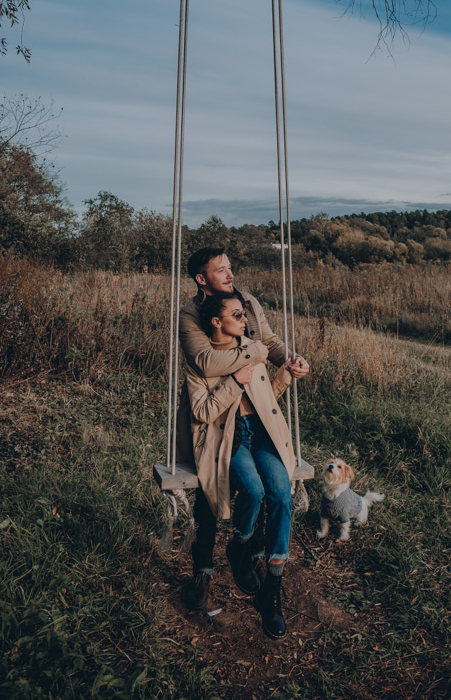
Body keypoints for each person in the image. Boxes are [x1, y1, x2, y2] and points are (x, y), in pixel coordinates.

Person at [176, 246, 309, 638]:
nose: (230, 274)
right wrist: (253, 355)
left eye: (231, 267)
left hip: (257, 421)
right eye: (221, 270)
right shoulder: (191, 314)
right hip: (220, 426)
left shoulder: (246, 303)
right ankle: (205, 569)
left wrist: (287, 360)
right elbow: (206, 362)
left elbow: (269, 340)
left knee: (278, 492)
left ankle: (270, 581)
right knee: (212, 494)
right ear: (203, 279)